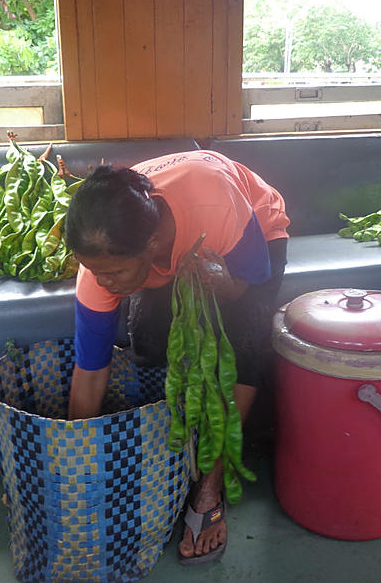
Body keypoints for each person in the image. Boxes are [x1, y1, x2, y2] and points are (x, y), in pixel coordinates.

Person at [64, 149, 289, 563]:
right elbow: (90, 369)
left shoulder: (217, 210)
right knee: (148, 342)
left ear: (150, 244)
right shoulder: (103, 262)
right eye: (93, 270)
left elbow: (251, 282)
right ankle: (184, 441)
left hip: (247, 239)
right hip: (170, 248)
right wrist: (78, 467)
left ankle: (209, 485)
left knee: (244, 346)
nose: (103, 282)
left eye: (112, 273)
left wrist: (222, 284)